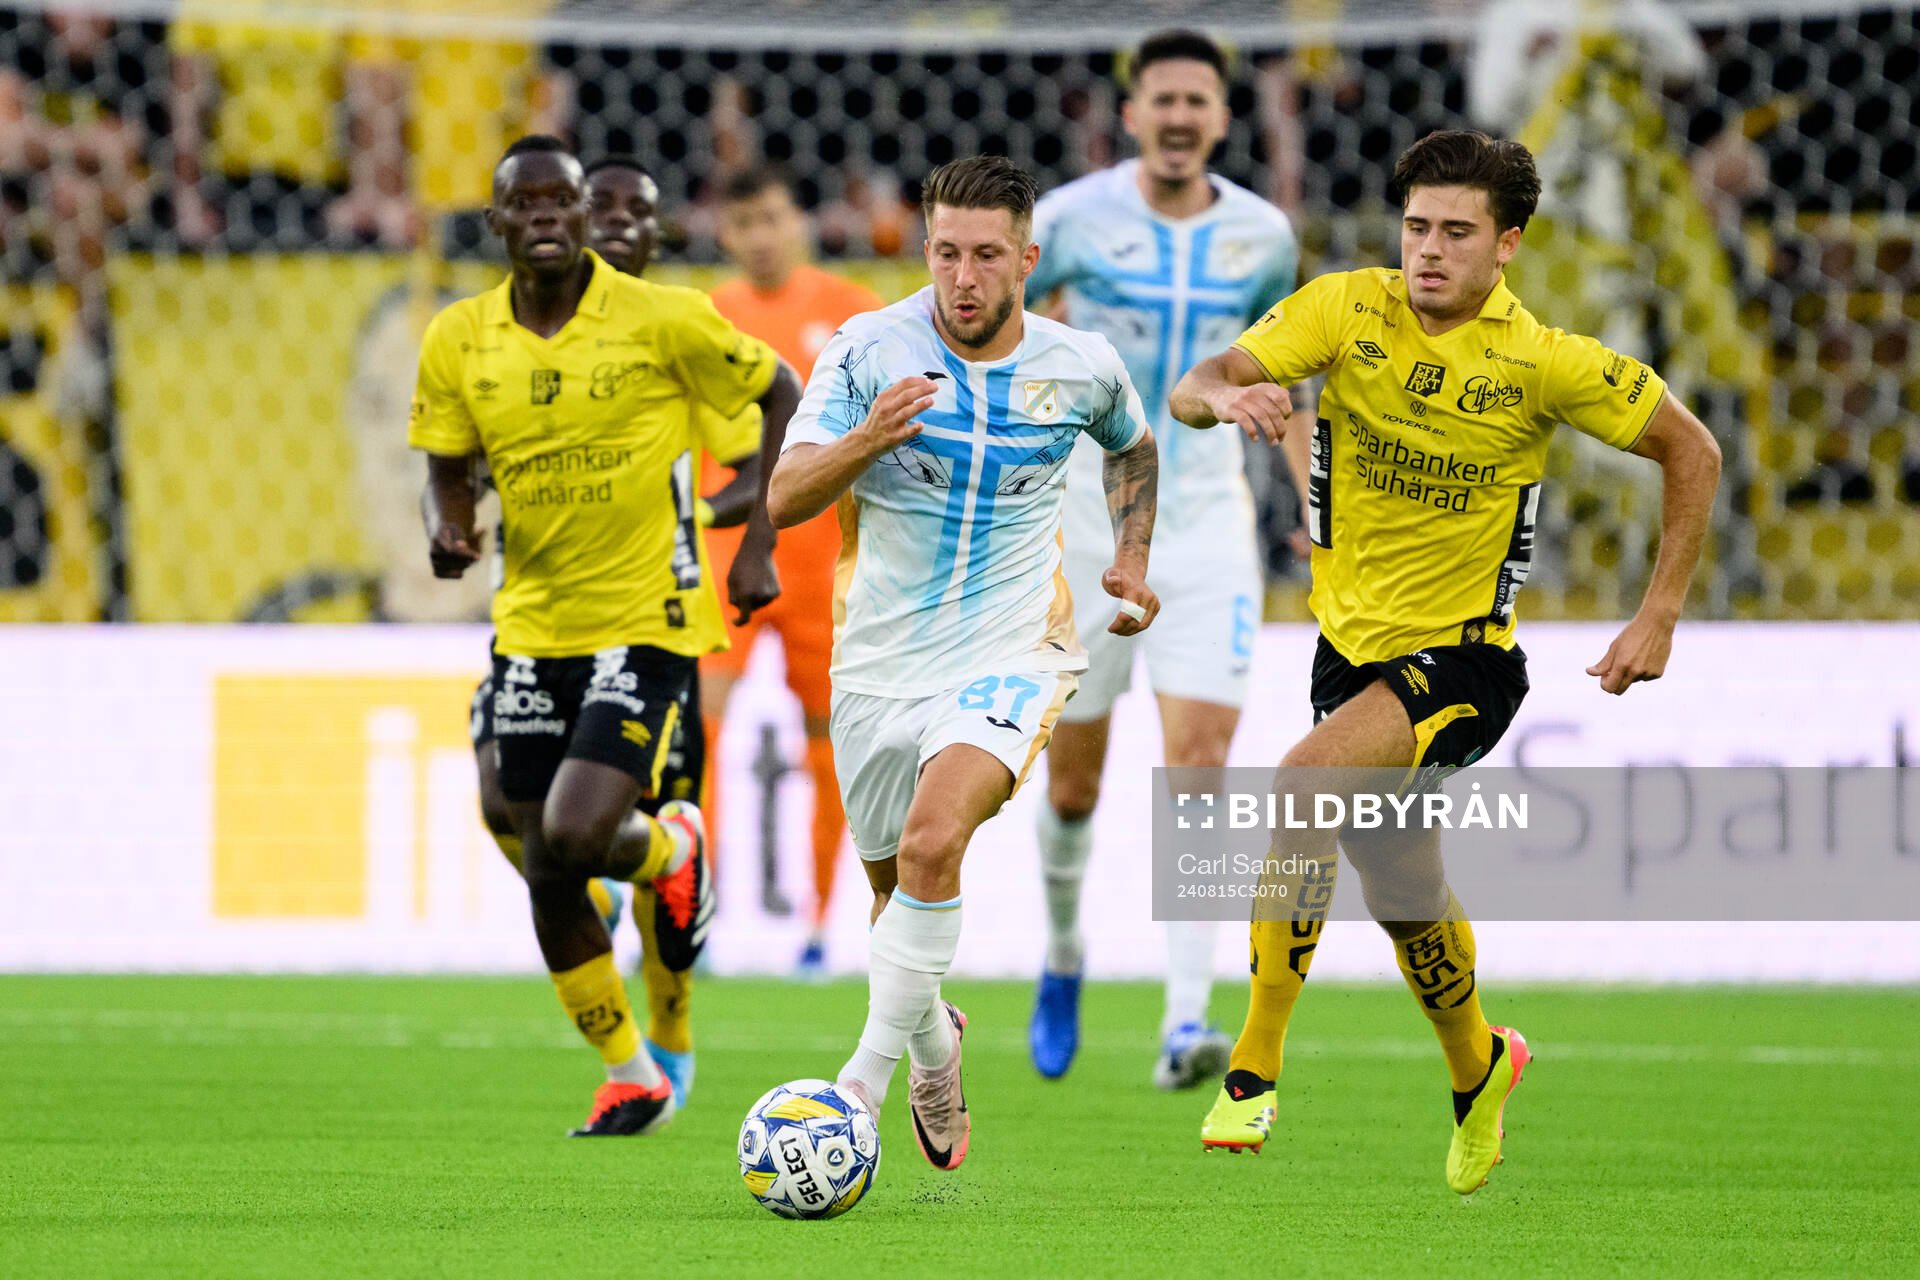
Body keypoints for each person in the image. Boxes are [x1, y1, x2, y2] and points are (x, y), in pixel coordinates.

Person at [1171, 129, 1720, 1192]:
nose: (1428, 249)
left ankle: (1251, 1065)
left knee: (1302, 780)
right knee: (1401, 880)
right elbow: (1205, 377)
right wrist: (1229, 398)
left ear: (1508, 243)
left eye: (1457, 232)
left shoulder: (1544, 361)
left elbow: (1689, 448)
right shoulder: (1344, 307)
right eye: (1417, 225)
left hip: (1466, 664)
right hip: (1350, 656)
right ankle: (1480, 1065)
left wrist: (1659, 613)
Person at [766, 155, 1160, 1171]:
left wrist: (1130, 557)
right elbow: (786, 498)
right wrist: (867, 439)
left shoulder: (1081, 363)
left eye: (988, 254)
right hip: (878, 664)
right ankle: (936, 1039)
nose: (964, 276)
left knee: (939, 840)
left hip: (1012, 652)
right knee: (895, 893)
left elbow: (1133, 445)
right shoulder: (866, 350)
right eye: (946, 252)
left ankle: (855, 1086)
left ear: (1028, 257)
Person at [411, 136, 800, 1137]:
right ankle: (633, 1066)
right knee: (526, 830)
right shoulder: (463, 340)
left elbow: (769, 415)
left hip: (651, 616)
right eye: (526, 203)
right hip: (533, 623)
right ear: (497, 222)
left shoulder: (671, 328)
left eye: (576, 203)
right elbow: (446, 463)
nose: (560, 219)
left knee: (576, 835)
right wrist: (448, 527)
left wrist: (747, 531)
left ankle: (671, 932)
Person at [1023, 29, 1307, 1090]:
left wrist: (1313, 501)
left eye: (1198, 99)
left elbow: (1282, 364)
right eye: (1162, 98)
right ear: (1131, 113)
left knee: (1199, 769)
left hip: (1204, 525)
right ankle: (1062, 955)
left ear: (1222, 119)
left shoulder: (1263, 238)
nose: (1181, 115)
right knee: (1074, 780)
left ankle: (1189, 1016)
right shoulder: (1069, 219)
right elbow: (999, 317)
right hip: (1083, 525)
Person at [701, 168, 885, 977]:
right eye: (745, 222)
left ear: (798, 218)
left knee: (826, 747)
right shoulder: (708, 318)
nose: (761, 236)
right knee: (695, 731)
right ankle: (690, 910)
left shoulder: (851, 310)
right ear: (725, 235)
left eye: (772, 215)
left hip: (823, 565)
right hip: (727, 556)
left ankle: (816, 925)